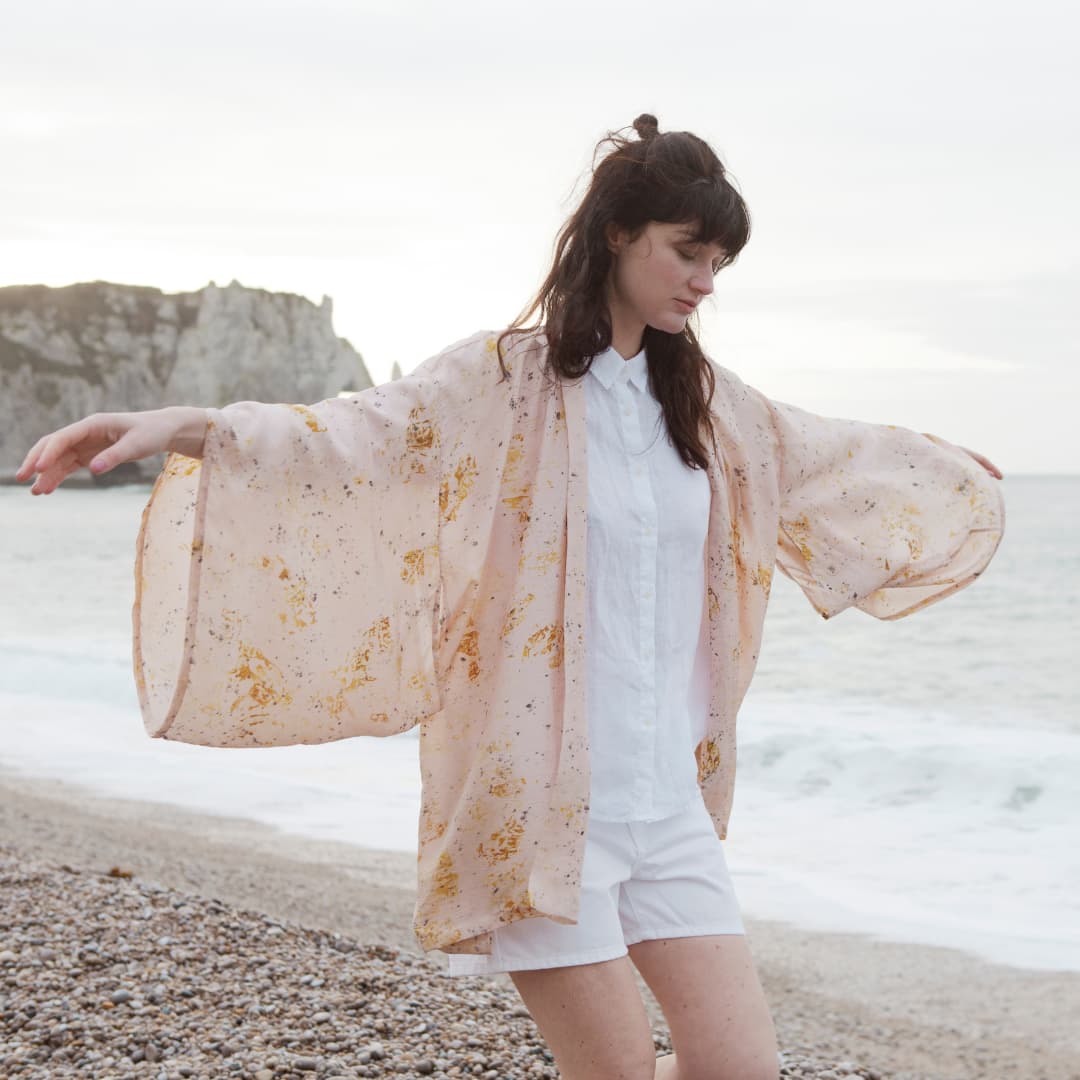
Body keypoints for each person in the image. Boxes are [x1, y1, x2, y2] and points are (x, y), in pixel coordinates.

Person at [16, 113, 1004, 1080]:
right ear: (618, 235)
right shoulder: (501, 379)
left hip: (668, 803)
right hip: (539, 808)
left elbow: (820, 451)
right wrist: (171, 424)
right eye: (688, 253)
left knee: (741, 1066)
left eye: (720, 265)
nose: (706, 282)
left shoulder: (705, 399)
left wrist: (940, 467)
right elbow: (347, 437)